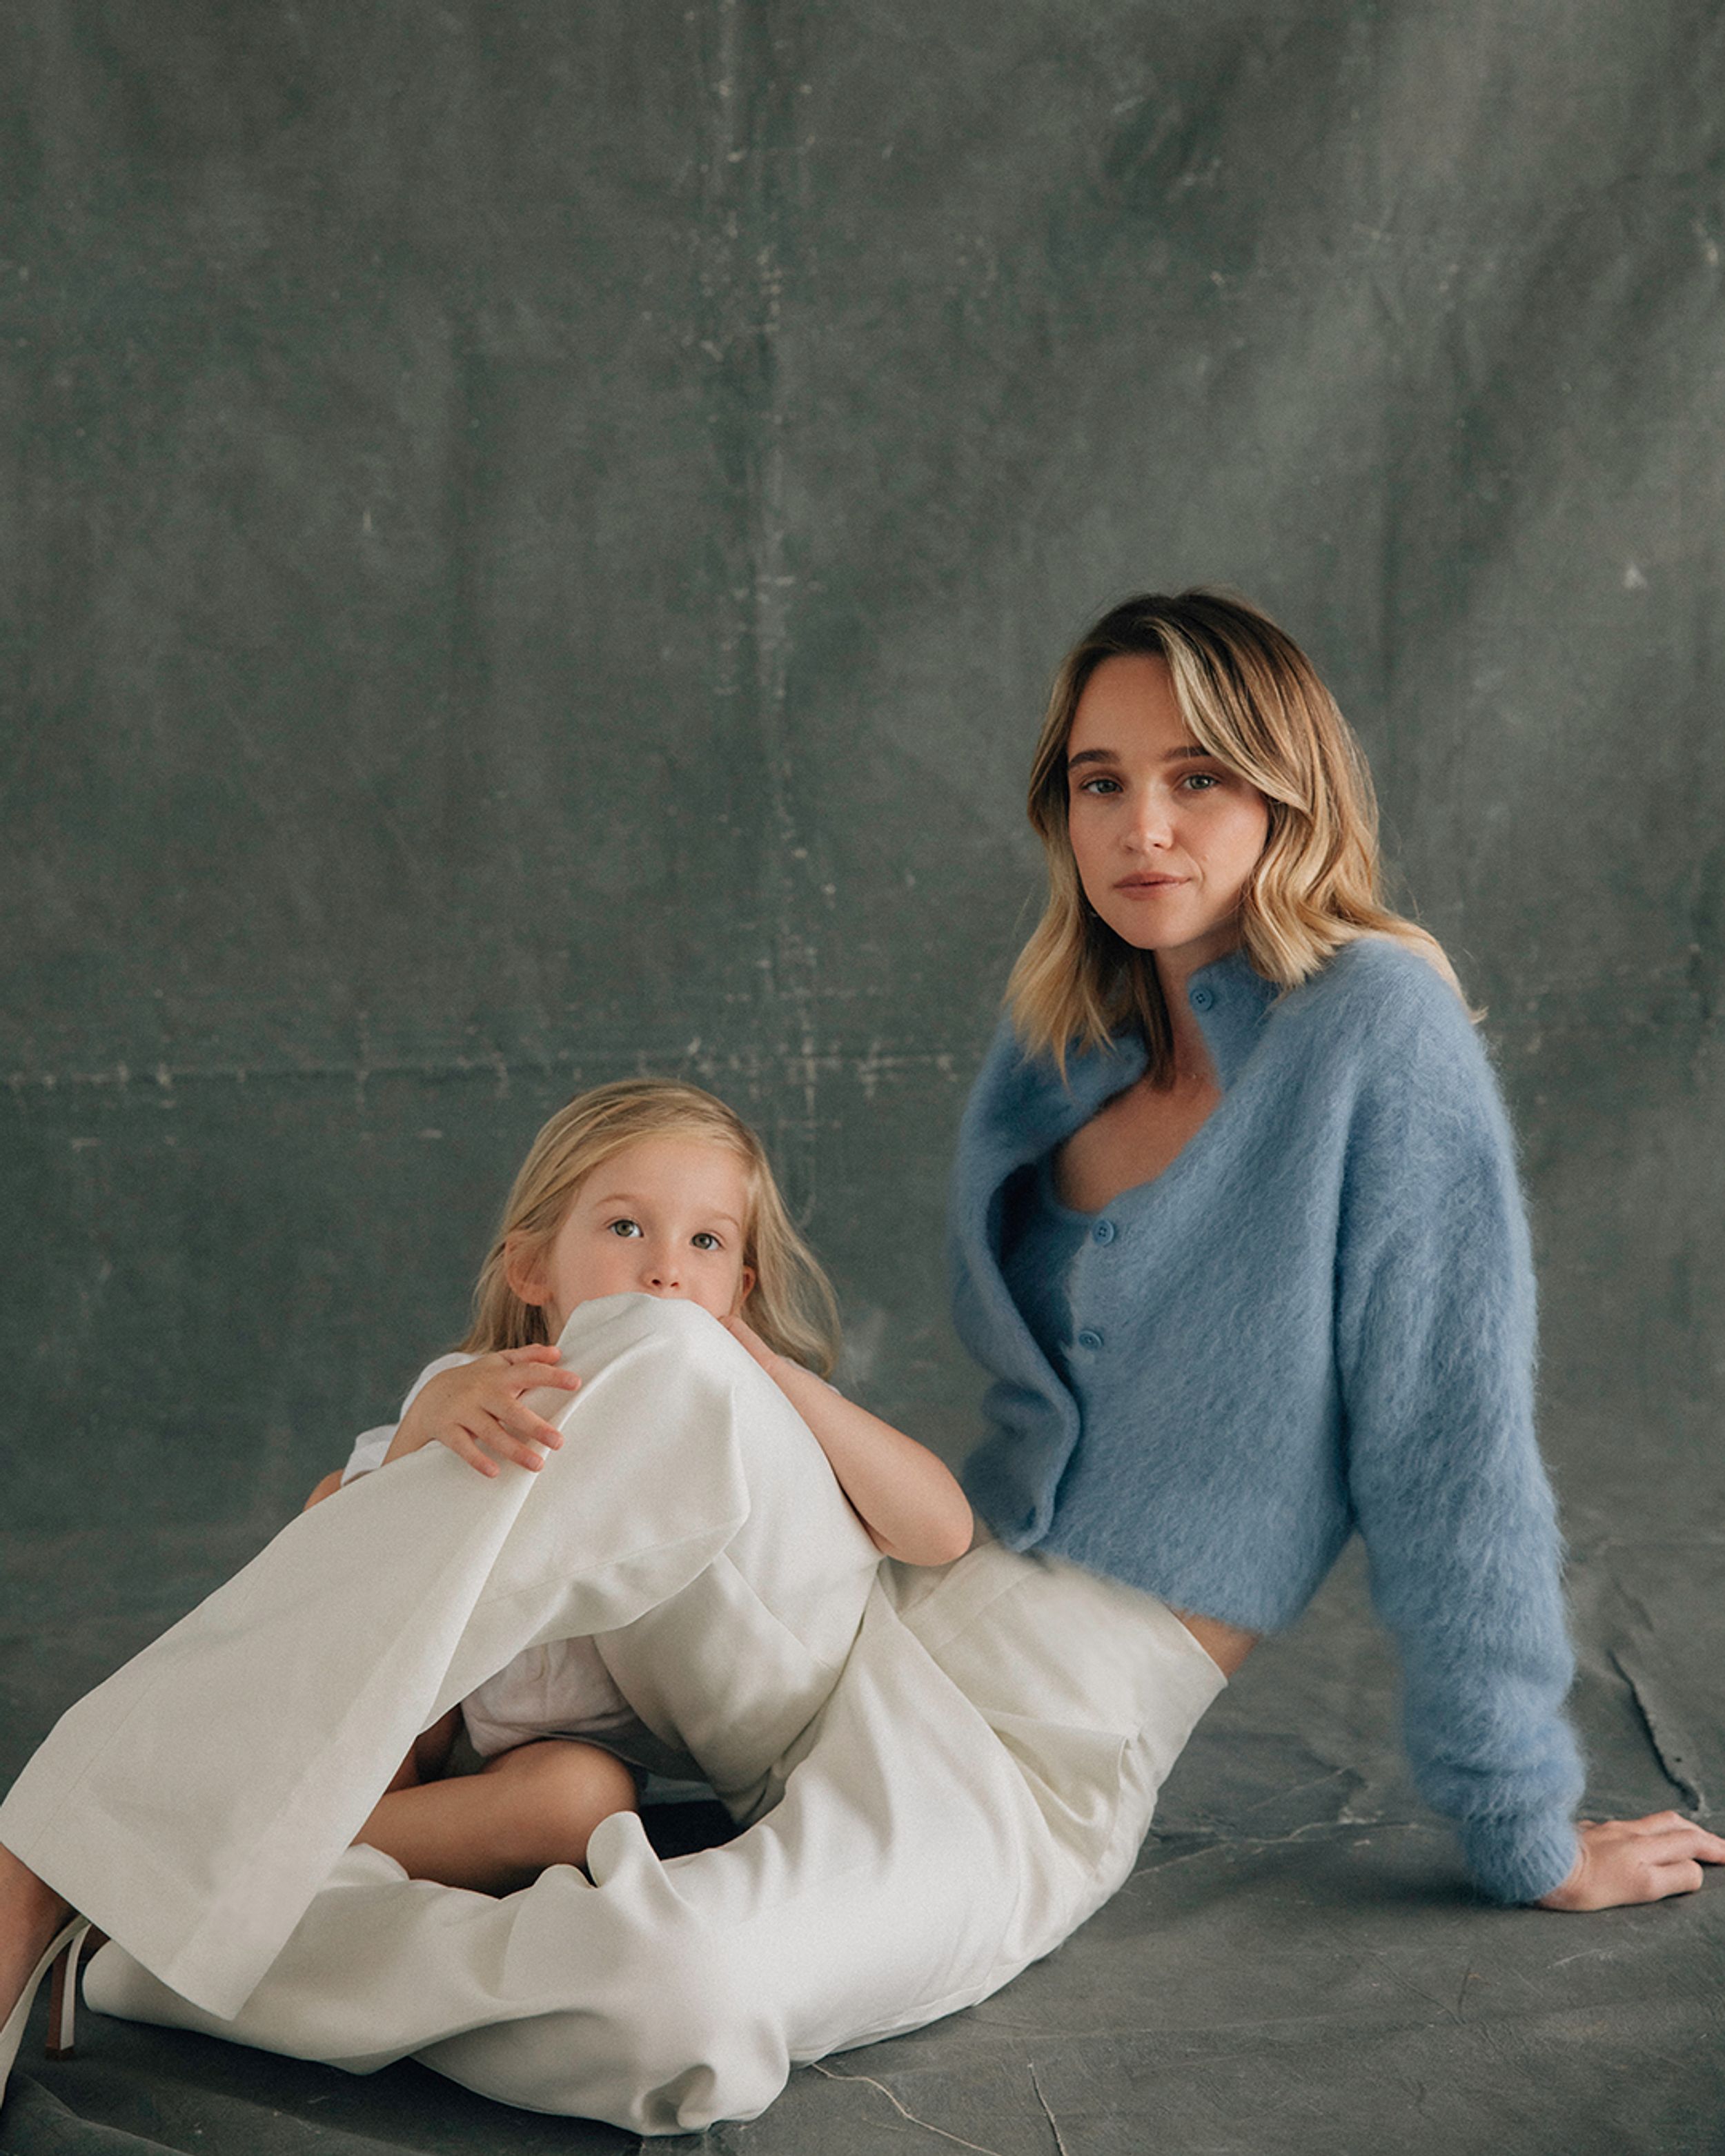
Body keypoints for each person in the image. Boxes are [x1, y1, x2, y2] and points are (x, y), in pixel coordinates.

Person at [3, 590, 1719, 2139]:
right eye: (1101, 779)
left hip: (1030, 1758)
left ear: (1288, 787)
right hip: (862, 1615)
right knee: (672, 1346)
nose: (1143, 823)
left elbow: (1452, 1442)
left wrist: (1523, 1822)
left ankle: (130, 1948)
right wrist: (471, 1393)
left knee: (687, 2010)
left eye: (1197, 775)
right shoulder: (1065, 1049)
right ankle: (41, 1849)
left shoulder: (1378, 1031)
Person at [310, 1076, 972, 1895]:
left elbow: (940, 1530)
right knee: (344, 1496)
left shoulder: (755, 1409)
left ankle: (311, 1847)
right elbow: (381, 1559)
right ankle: (349, 1810)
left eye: (707, 1242)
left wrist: (769, 1369)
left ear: (740, 1288)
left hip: (593, 1735)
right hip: (473, 1699)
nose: (666, 1270)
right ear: (531, 1267)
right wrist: (422, 1432)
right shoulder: (483, 1382)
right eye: (626, 1227)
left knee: (580, 1804)